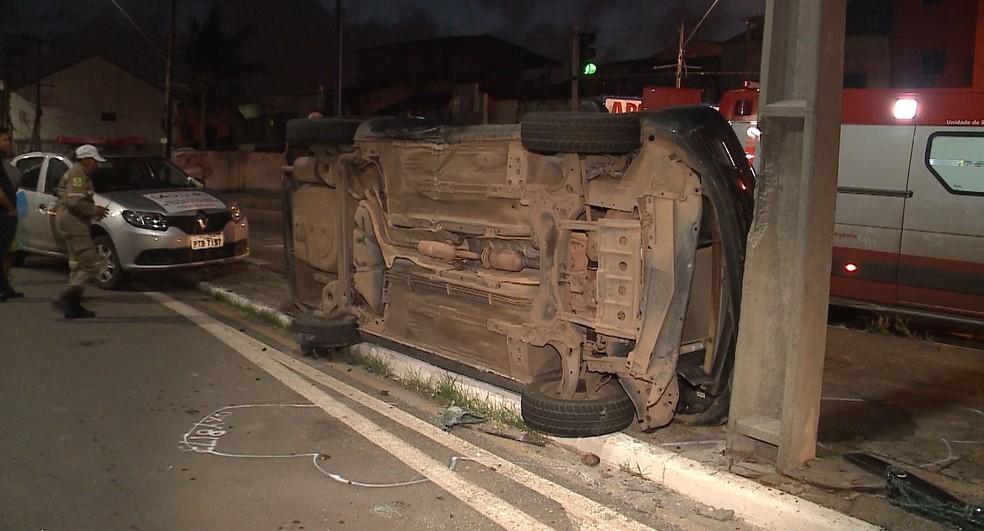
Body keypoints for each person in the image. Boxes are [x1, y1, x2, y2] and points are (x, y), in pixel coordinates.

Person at [53, 144, 108, 318]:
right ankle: (68, 296)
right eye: (94, 161)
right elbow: (74, 202)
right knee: (94, 263)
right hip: (73, 224)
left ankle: (74, 306)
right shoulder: (78, 175)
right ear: (86, 160)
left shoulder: (78, 174)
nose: (96, 165)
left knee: (76, 263)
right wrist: (95, 210)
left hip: (73, 223)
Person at [0, 126, 22, 302]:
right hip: (3, 214)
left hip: (5, 215)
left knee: (6, 252)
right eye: (5, 140)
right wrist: (10, 208)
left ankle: (4, 287)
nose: (9, 144)